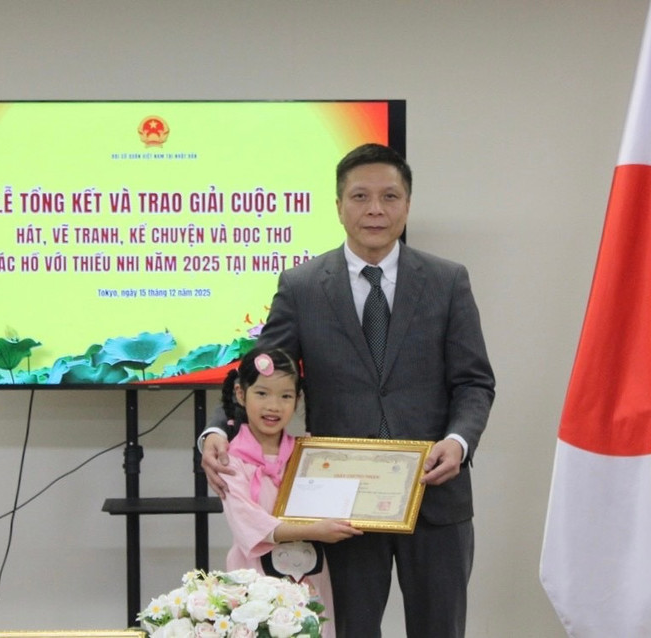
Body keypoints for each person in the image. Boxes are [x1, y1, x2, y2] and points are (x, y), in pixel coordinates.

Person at [201, 142, 495, 637]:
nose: (375, 209)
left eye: (389, 196)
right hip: (339, 505)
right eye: (360, 196)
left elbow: (474, 381)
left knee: (440, 628)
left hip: (434, 496)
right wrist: (215, 429)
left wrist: (459, 442)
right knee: (351, 630)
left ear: (407, 204)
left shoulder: (447, 281)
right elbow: (258, 374)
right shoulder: (302, 285)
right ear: (338, 205)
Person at [219, 346, 362, 638]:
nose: (273, 406)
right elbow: (247, 522)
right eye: (262, 394)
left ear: (297, 400)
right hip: (254, 578)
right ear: (240, 393)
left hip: (310, 577)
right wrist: (314, 530)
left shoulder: (308, 452)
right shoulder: (230, 459)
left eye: (285, 396)